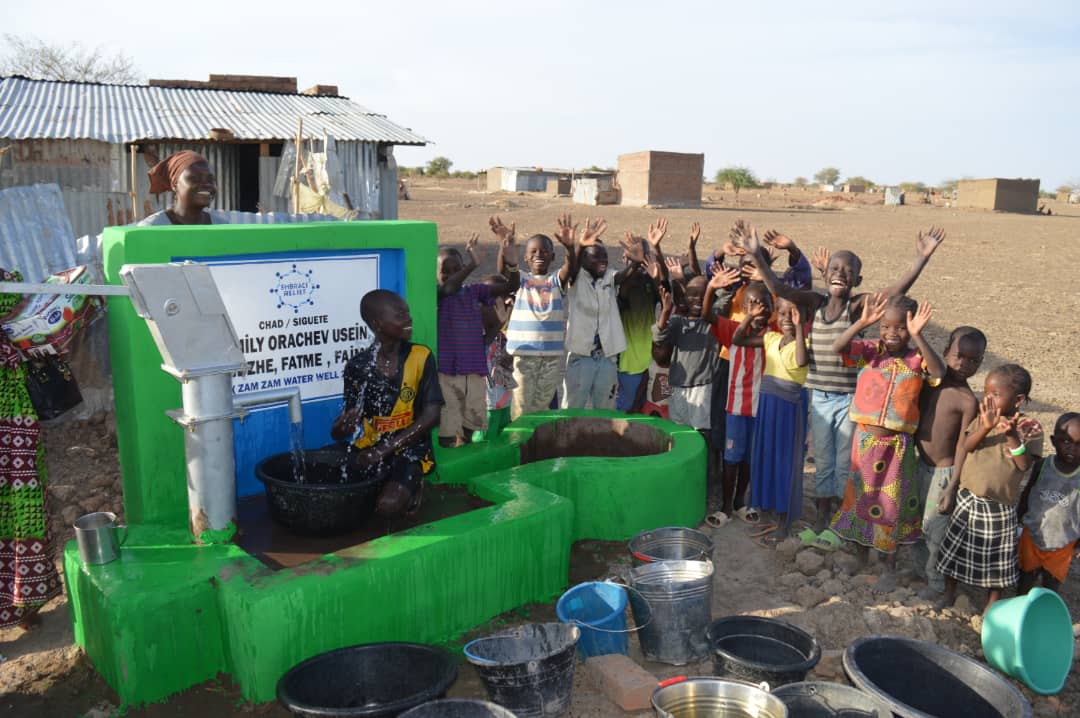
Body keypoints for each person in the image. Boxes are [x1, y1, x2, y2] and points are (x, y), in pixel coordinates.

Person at [744, 224, 947, 534]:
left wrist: (921, 258)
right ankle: (824, 510)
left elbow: (895, 292)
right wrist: (756, 254)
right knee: (823, 458)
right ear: (825, 275)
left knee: (844, 460)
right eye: (835, 268)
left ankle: (842, 512)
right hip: (820, 396)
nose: (840, 272)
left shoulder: (857, 307)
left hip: (850, 400)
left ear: (857, 280)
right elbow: (780, 289)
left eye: (847, 270)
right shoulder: (815, 302)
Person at [826, 293, 945, 594]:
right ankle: (860, 555)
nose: (892, 334)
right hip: (864, 441)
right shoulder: (870, 351)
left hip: (896, 446)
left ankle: (887, 565)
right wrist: (862, 323)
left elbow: (939, 373)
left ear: (912, 327)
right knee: (859, 497)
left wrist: (919, 337)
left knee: (889, 505)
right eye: (885, 327)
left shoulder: (917, 359)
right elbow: (838, 347)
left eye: (901, 328)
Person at [936, 364, 1043, 615]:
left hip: (998, 506)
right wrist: (985, 426)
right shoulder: (983, 416)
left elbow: (1023, 464)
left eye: (995, 394)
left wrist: (1012, 435)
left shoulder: (1030, 427)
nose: (988, 398)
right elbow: (968, 445)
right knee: (954, 550)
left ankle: (991, 605)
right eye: (986, 392)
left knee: (998, 560)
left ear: (1017, 399)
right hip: (968, 496)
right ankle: (949, 592)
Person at [330, 290, 443, 517]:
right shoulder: (358, 366)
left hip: (410, 448)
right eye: (400, 315)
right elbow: (343, 429)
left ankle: (413, 488)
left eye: (408, 313)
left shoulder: (421, 356)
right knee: (323, 474)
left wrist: (384, 450)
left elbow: (432, 415)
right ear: (378, 324)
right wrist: (341, 428)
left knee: (388, 506)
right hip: (370, 446)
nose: (409, 319)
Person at [0, 269, 63, 635]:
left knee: (24, 506)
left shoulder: (8, 282)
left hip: (13, 416)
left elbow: (18, 291)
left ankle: (24, 602)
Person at [912, 327, 987, 599]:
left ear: (980, 363)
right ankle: (919, 570)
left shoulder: (967, 401)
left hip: (943, 472)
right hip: (919, 464)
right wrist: (916, 333)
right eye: (958, 356)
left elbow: (962, 445)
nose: (963, 364)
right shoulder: (932, 381)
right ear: (945, 353)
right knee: (917, 523)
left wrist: (952, 486)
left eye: (972, 360)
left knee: (935, 531)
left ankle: (936, 584)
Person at [736, 297, 810, 545]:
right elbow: (738, 339)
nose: (786, 319)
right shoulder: (771, 339)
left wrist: (800, 329)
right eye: (782, 314)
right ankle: (769, 509)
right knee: (766, 456)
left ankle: (785, 520)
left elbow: (800, 361)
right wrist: (749, 315)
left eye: (793, 314)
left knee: (785, 462)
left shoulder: (805, 343)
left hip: (789, 409)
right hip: (768, 406)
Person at [497, 214, 581, 420]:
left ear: (553, 257)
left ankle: (536, 447)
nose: (538, 255)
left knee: (542, 407)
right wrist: (504, 246)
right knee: (521, 406)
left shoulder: (555, 282)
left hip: (551, 358)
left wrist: (570, 248)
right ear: (525, 257)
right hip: (524, 356)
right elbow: (504, 271)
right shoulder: (521, 280)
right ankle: (518, 446)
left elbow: (569, 269)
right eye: (533, 252)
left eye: (544, 251)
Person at [436, 233, 512, 447]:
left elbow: (509, 286)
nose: (452, 275)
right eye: (445, 271)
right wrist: (471, 265)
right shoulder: (436, 295)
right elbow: (449, 288)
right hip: (447, 374)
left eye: (456, 269)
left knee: (471, 427)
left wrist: (512, 264)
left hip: (475, 372)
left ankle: (465, 466)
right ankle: (449, 473)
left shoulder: (473, 292)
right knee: (448, 429)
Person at [707, 278, 772, 526]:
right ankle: (724, 507)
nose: (758, 310)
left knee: (748, 459)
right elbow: (710, 318)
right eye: (752, 305)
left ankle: (740, 503)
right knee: (731, 458)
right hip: (735, 408)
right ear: (744, 309)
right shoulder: (733, 329)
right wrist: (712, 288)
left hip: (760, 409)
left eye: (763, 305)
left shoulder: (773, 334)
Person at [562, 218, 630, 409]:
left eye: (605, 257)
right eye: (596, 257)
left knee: (606, 408)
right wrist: (579, 246)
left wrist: (636, 262)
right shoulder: (576, 278)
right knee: (573, 408)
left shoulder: (608, 276)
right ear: (583, 260)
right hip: (581, 355)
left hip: (607, 356)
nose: (603, 261)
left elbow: (622, 277)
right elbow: (571, 267)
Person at [1017, 413, 1080, 596]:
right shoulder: (1043, 466)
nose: (1072, 449)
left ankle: (1046, 614)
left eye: (1079, 445)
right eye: (1066, 441)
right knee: (1026, 578)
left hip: (1063, 541)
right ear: (1053, 441)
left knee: (1051, 584)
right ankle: (1020, 611)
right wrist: (1018, 518)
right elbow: (1028, 492)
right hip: (1033, 535)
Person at [614, 231, 660, 412]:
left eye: (643, 256)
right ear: (624, 259)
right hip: (628, 364)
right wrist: (636, 263)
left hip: (649, 361)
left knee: (645, 410)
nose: (639, 261)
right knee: (626, 410)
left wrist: (654, 276)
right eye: (631, 256)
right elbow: (622, 295)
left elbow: (665, 297)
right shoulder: (620, 283)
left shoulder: (650, 283)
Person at [138, 150, 229, 226]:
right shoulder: (153, 227)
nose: (206, 184)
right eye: (195, 178)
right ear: (175, 185)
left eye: (210, 179)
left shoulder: (221, 227)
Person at [480, 274, 517, 439]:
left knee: (502, 437)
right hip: (485, 404)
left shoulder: (503, 335)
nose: (503, 304)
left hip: (503, 401)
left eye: (505, 298)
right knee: (484, 440)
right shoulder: (475, 331)